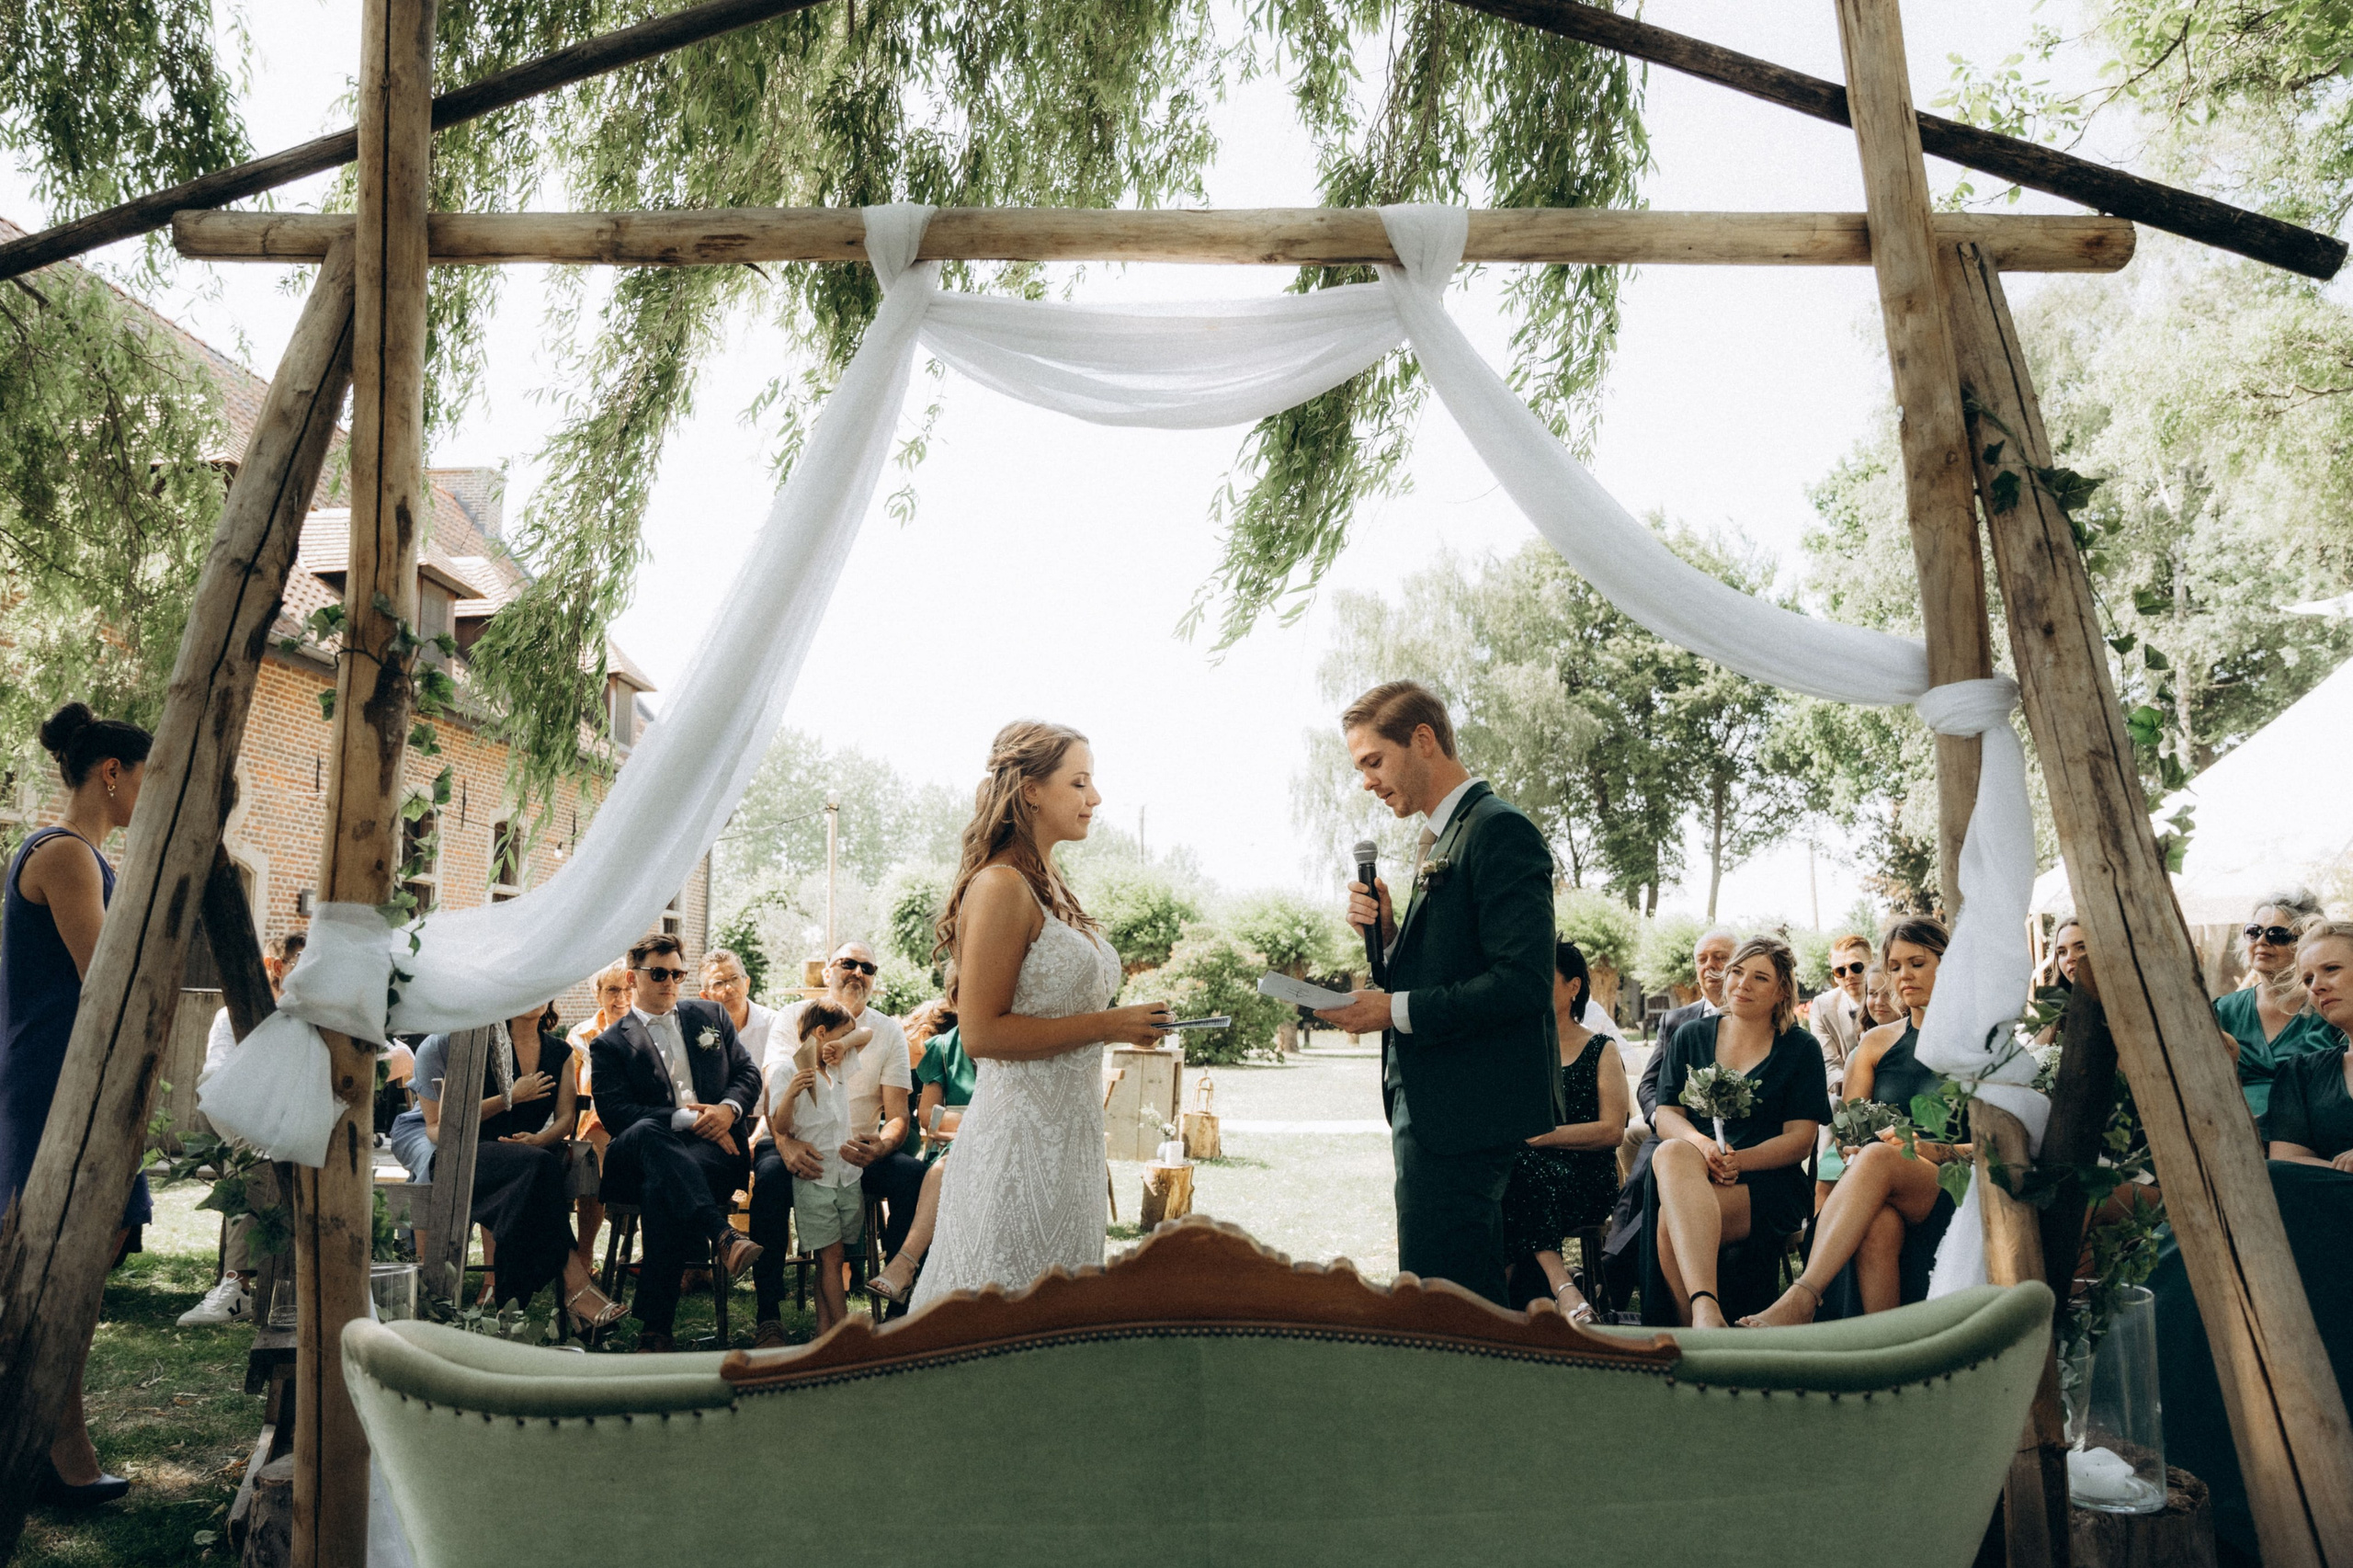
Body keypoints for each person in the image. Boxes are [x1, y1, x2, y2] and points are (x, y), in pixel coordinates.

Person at [909, 722, 1172, 1311]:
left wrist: (1132, 1023)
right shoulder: (1001, 884)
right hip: (1016, 1146)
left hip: (1071, 1144)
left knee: (1059, 1321)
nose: (1095, 798)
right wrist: (1111, 1024)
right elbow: (979, 1033)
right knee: (1000, 1316)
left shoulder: (1051, 883)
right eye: (1079, 783)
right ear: (1030, 789)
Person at [1316, 681, 1559, 1308]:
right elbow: (1456, 963)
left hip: (1467, 1112)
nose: (1366, 782)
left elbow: (1523, 983)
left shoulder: (1499, 830)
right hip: (1434, 1107)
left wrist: (1391, 1009)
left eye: (1374, 761)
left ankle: (1471, 1404)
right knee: (1434, 1287)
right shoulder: (1443, 836)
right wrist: (1392, 938)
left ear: (1422, 740)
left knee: (1453, 1301)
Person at [0, 702, 153, 1505]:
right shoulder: (65, 856)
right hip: (53, 1079)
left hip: (75, 1077)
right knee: (56, 1256)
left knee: (95, 1242)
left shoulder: (83, 856)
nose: (146, 800)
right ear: (111, 773)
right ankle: (59, 1444)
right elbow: (105, 980)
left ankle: (56, 1434)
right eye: (145, 782)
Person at [1744, 919, 1962, 1325]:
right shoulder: (1875, 1044)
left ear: (1948, 965)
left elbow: (2004, 1146)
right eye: (1894, 967)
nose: (1904, 976)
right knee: (1878, 1220)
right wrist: (1848, 1159)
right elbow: (1846, 1137)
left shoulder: (1978, 1044)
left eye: (1917, 963)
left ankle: (1802, 1297)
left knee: (1879, 1158)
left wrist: (1927, 1148)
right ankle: (1884, 1354)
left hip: (1956, 1183)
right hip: (1882, 1181)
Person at [1638, 935, 1830, 1328]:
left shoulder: (1800, 1048)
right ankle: (1708, 1319)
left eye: (1760, 978)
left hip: (1769, 1180)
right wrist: (1703, 1145)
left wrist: (1739, 1160)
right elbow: (1667, 1112)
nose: (1742, 984)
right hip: (1694, 1168)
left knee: (1670, 1223)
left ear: (1781, 991)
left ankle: (1695, 1324)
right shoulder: (1691, 1036)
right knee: (1669, 1151)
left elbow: (1800, 1140)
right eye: (1737, 972)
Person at [589, 933, 764, 1352]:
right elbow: (617, 1115)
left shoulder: (710, 1016)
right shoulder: (609, 1044)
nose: (670, 981)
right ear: (633, 978)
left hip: (712, 1155)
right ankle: (721, 1234)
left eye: (678, 973)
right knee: (651, 1133)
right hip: (638, 1156)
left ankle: (656, 1329)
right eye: (660, 973)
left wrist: (727, 1110)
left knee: (662, 1188)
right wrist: (688, 1119)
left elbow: (748, 1075)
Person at [411, 1006, 625, 1332]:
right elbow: (446, 1122)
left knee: (531, 1179)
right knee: (539, 1170)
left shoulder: (559, 1052)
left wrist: (540, 1139)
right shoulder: (477, 1046)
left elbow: (567, 1117)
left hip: (530, 1158)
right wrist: (510, 1096)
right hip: (469, 1156)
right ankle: (574, 1289)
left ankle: (511, 1308)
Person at [749, 940, 921, 1343]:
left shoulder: (887, 1030)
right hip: (795, 1137)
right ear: (828, 972)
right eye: (848, 963)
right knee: (771, 1177)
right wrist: (786, 1144)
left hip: (859, 1149)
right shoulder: (794, 1017)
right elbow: (776, 1092)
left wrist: (880, 1145)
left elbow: (897, 1115)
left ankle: (898, 1311)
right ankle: (768, 1313)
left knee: (911, 1175)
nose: (858, 972)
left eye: (868, 967)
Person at [176, 931, 307, 1327]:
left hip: (291, 1125)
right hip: (231, 1109)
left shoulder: (321, 1017)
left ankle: (246, 1285)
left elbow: (400, 1057)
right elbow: (214, 1079)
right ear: (276, 966)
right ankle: (237, 1287)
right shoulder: (232, 1014)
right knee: (254, 1150)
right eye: (300, 962)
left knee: (259, 1153)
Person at [1500, 940, 1628, 1320]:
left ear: (1573, 987)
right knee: (1509, 1172)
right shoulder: (1522, 1048)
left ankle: (1548, 1286)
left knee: (1518, 1171)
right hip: (1526, 1171)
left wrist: (1547, 1136)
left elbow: (1612, 1131)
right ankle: (1560, 1289)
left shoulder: (1601, 1048)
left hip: (1588, 1174)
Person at [866, 994, 976, 1305]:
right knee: (941, 1169)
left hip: (997, 1144)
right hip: (951, 1149)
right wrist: (982, 1122)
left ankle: (904, 1266)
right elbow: (929, 1116)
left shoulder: (1013, 1046)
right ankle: (905, 1266)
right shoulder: (942, 1048)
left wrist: (960, 1120)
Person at [772, 1001, 868, 1333]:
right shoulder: (788, 1070)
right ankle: (844, 1331)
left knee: (832, 1258)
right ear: (821, 1033)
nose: (847, 1041)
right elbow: (781, 1127)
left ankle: (824, 1329)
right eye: (842, 1034)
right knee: (831, 1257)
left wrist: (844, 1043)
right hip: (816, 1177)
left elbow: (864, 1034)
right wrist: (789, 1095)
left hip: (845, 1175)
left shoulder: (837, 1064)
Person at [2214, 890, 2341, 1119]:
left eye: (2277, 935)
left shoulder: (2330, 1007)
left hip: (2313, 1138)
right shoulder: (2222, 1010)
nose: (2262, 941)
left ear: (2306, 942)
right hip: (2229, 1131)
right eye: (2254, 932)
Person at [563, 960, 634, 1269]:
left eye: (628, 988)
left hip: (634, 1122)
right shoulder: (581, 1035)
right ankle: (586, 1251)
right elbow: (573, 1093)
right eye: (613, 990)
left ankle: (614, 1196)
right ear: (598, 994)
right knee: (588, 1155)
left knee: (593, 1156)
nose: (621, 997)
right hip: (591, 1123)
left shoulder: (650, 1028)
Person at [1811, 934, 1873, 1096]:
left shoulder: (1896, 999)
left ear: (1872, 965)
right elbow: (1829, 1064)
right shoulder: (1822, 1006)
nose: (1849, 975)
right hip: (1846, 1090)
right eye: (1840, 971)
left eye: (1856, 967)